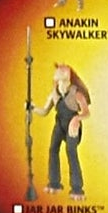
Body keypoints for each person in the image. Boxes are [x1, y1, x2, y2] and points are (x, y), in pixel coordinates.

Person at [38, 63, 90, 196]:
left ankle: (77, 188)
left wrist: (76, 119)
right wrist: (32, 108)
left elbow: (86, 113)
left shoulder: (76, 94)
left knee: (71, 151)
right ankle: (54, 182)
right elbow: (44, 111)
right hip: (59, 124)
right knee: (53, 149)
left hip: (72, 126)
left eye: (61, 70)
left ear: (68, 75)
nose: (58, 72)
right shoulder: (54, 94)